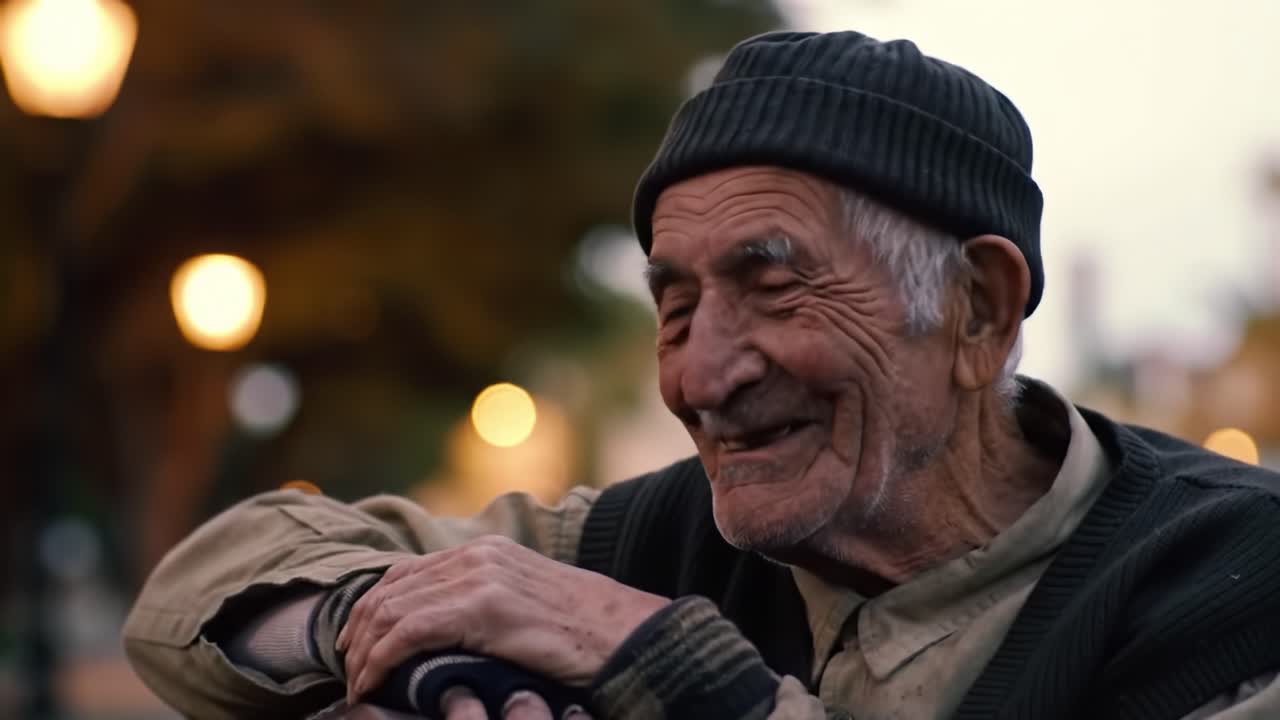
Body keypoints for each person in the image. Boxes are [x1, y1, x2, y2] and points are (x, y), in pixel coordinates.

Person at [123, 30, 1280, 720]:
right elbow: (198, 590)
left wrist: (664, 672)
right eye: (673, 304)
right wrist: (390, 628)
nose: (703, 374)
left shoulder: (1228, 579)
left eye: (771, 286)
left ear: (976, 309)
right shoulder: (661, 538)